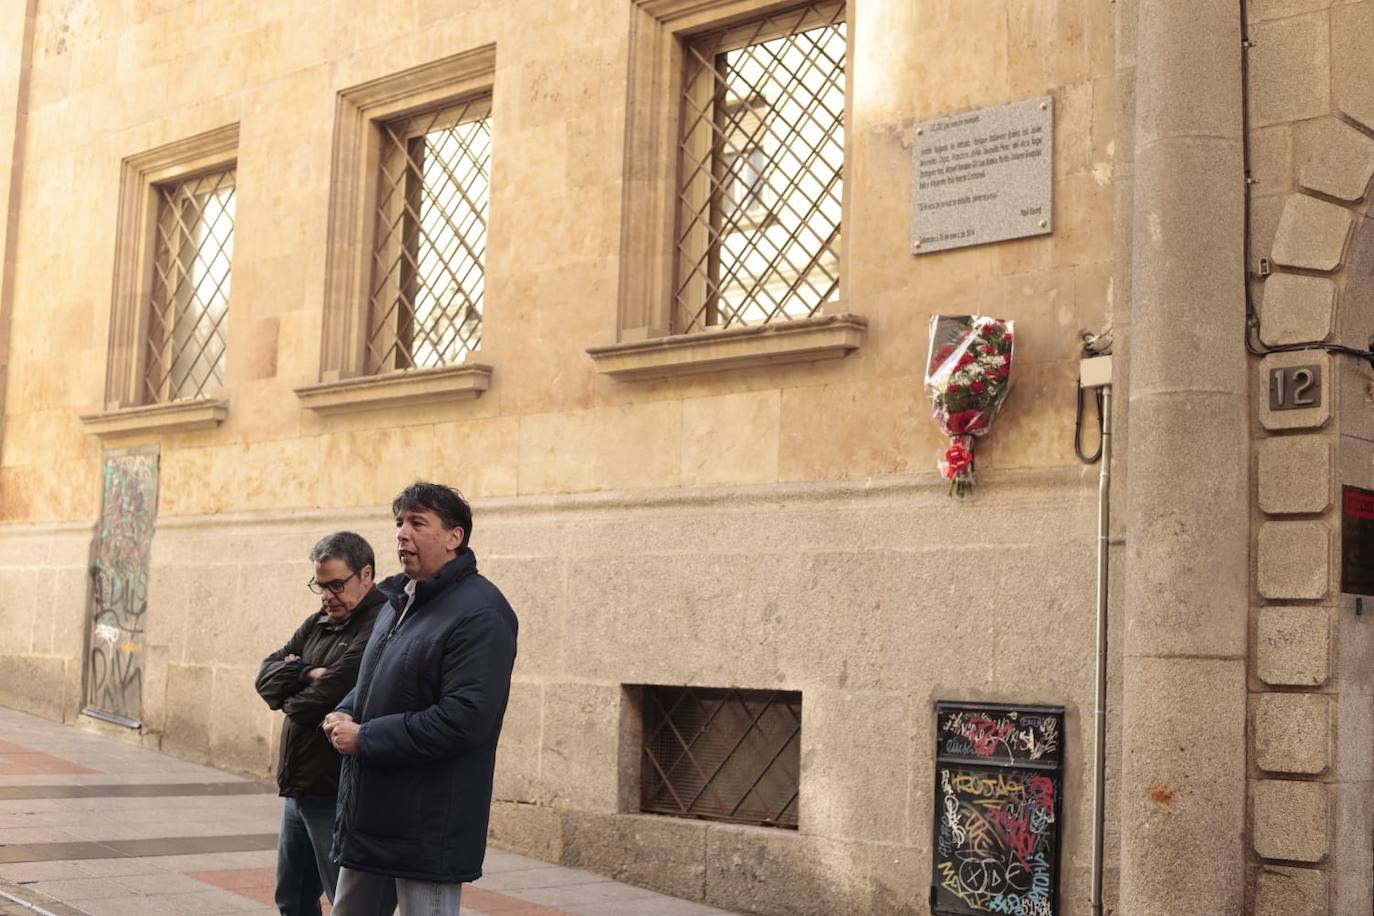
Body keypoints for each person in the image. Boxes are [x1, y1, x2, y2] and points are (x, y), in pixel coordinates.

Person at [323, 482, 518, 916]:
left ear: (454, 537)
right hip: (372, 816)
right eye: (399, 523)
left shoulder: (481, 613)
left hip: (427, 827)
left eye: (417, 523)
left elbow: (463, 719)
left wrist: (365, 738)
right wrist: (347, 709)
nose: (401, 534)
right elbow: (378, 678)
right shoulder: (397, 600)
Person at [255, 532, 385, 916]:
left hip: (335, 793)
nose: (328, 595)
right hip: (298, 787)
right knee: (291, 899)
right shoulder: (318, 623)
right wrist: (310, 672)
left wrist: (293, 679)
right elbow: (264, 677)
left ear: (366, 574)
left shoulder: (378, 626)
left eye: (337, 585)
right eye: (321, 585)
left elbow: (316, 703)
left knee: (343, 901)